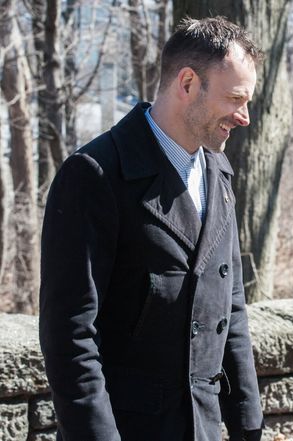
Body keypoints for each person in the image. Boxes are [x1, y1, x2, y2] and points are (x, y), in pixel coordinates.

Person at [39, 16, 264, 441]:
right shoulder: (94, 174)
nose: (244, 116)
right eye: (235, 98)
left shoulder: (218, 173)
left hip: (203, 428)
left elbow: (231, 310)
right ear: (187, 83)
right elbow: (70, 337)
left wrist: (248, 426)